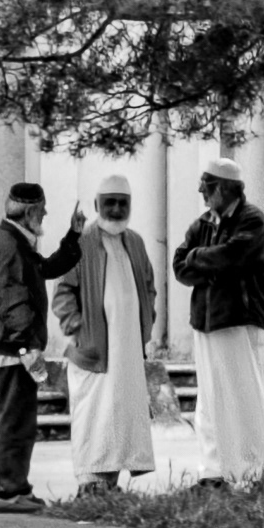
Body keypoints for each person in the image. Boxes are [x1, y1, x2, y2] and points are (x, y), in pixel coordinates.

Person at [172, 157, 264, 488]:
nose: (200, 191)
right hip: (206, 323)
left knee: (246, 399)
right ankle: (214, 472)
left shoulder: (252, 220)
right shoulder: (202, 224)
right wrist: (207, 264)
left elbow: (232, 257)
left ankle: (254, 472)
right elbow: (179, 266)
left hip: (240, 322)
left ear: (224, 188)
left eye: (206, 186)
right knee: (210, 401)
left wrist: (198, 258)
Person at [52, 173, 157, 495]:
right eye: (109, 202)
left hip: (128, 351)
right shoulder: (82, 242)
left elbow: (149, 287)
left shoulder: (135, 242)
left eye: (122, 203)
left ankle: (109, 484)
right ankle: (89, 481)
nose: (116, 209)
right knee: (93, 414)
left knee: (121, 415)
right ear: (97, 205)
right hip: (94, 349)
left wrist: (146, 324)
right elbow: (63, 293)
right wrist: (78, 330)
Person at [0, 182, 83, 514]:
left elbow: (46, 269)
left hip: (15, 348)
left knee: (20, 422)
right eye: (41, 210)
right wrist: (28, 348)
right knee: (16, 423)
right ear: (29, 212)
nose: (45, 213)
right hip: (15, 351)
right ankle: (10, 492)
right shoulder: (9, 244)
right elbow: (12, 300)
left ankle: (18, 488)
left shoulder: (15, 240)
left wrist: (73, 236)